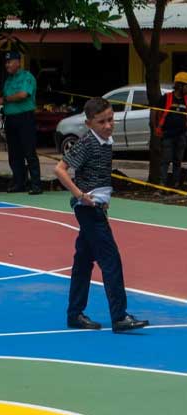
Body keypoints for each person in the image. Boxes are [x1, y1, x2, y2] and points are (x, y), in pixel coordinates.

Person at [54, 97, 149, 333]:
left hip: (96, 207)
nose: (108, 125)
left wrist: (103, 200)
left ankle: (75, 314)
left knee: (83, 261)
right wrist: (80, 195)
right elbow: (60, 169)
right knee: (111, 260)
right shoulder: (87, 143)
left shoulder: (106, 141)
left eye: (110, 120)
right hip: (88, 209)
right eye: (101, 122)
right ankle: (119, 316)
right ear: (89, 124)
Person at [0, 51, 43, 195]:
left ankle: (36, 184)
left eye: (10, 62)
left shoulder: (27, 77)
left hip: (25, 118)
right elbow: (7, 98)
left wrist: (3, 100)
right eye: (6, 62)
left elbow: (23, 95)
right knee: (14, 153)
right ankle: (19, 183)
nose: (7, 65)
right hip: (10, 119)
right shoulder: (8, 80)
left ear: (18, 62)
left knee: (29, 151)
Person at [151, 72, 187, 188]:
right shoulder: (167, 97)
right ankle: (162, 185)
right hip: (167, 135)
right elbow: (155, 111)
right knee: (165, 161)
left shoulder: (186, 100)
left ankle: (175, 185)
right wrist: (156, 127)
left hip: (181, 135)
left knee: (178, 161)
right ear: (179, 86)